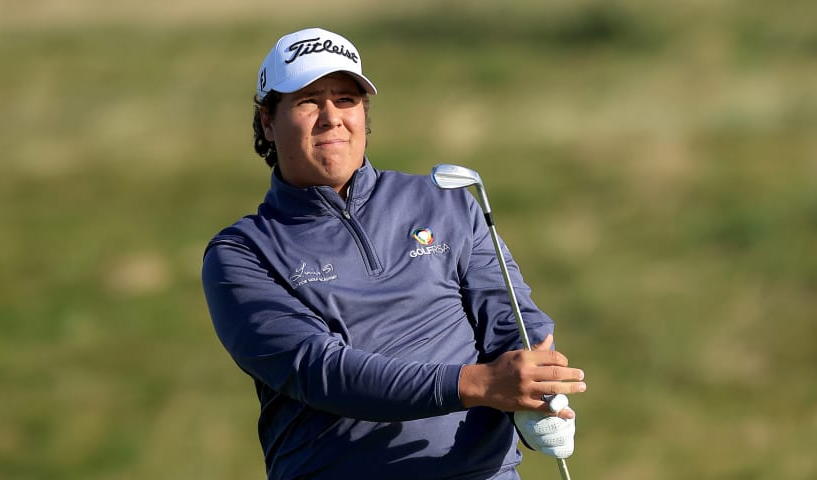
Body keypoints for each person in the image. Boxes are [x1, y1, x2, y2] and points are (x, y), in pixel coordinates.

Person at [201, 27, 586, 480]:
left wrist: (537, 394)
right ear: (268, 119)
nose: (331, 117)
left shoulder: (447, 199)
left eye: (346, 99)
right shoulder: (243, 254)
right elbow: (320, 371)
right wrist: (479, 385)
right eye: (308, 101)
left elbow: (511, 316)